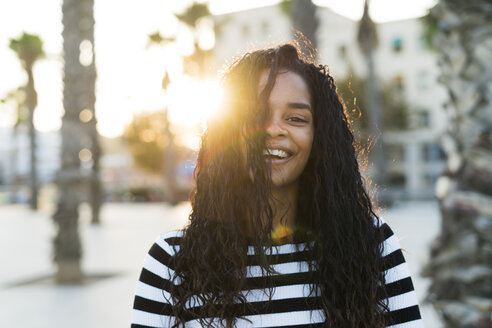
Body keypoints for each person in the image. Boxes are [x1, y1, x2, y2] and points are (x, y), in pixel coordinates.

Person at [131, 43, 424, 328]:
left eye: (296, 118)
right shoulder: (171, 262)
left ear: (319, 138)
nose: (273, 130)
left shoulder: (373, 247)